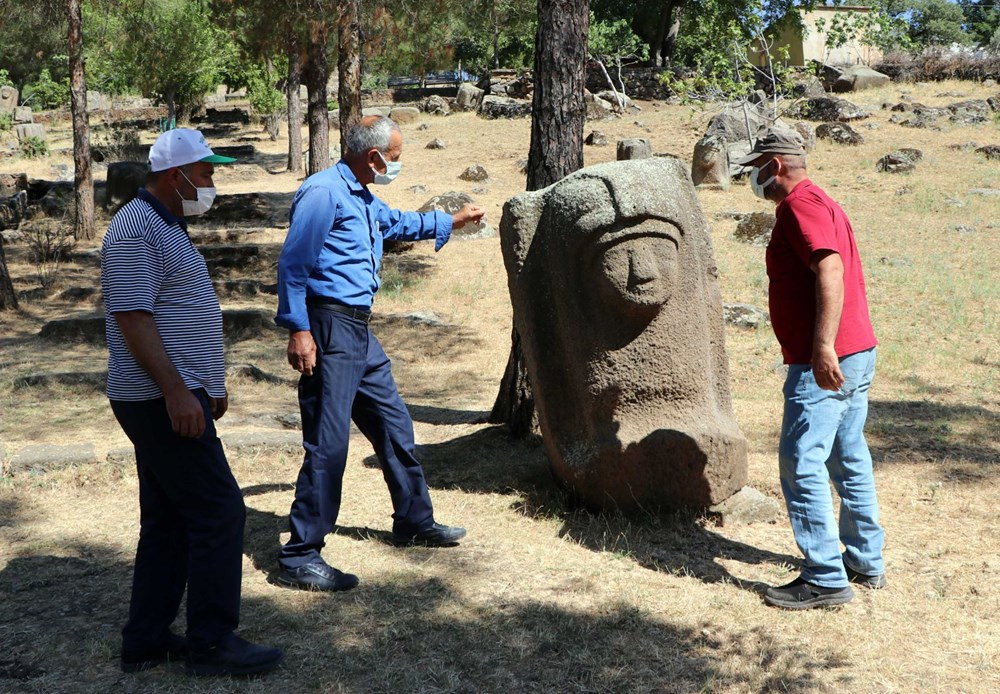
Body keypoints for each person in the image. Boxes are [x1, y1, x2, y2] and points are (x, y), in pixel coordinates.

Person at [274, 116, 485, 591]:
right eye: (395, 155)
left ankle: (413, 520)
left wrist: (449, 221)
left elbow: (398, 223)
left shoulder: (363, 197)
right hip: (328, 326)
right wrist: (299, 329)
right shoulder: (323, 191)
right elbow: (293, 264)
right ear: (373, 157)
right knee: (329, 444)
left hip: (359, 333)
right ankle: (301, 553)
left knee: (394, 424)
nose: (397, 163)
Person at [101, 128, 283, 675]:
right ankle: (211, 642)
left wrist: (209, 384)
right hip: (158, 397)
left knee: (169, 518)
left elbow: (180, 313)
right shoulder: (136, 226)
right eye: (205, 173)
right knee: (218, 509)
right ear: (174, 175)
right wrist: (179, 391)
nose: (211, 182)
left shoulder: (165, 226)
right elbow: (133, 317)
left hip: (174, 394)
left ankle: (147, 639)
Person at [733, 127, 886, 610]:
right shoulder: (820, 200)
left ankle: (824, 577)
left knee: (802, 461)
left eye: (753, 167)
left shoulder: (800, 205)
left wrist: (821, 347)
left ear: (774, 165)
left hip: (827, 361)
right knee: (847, 457)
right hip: (856, 351)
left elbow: (830, 269)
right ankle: (864, 561)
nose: (750, 177)